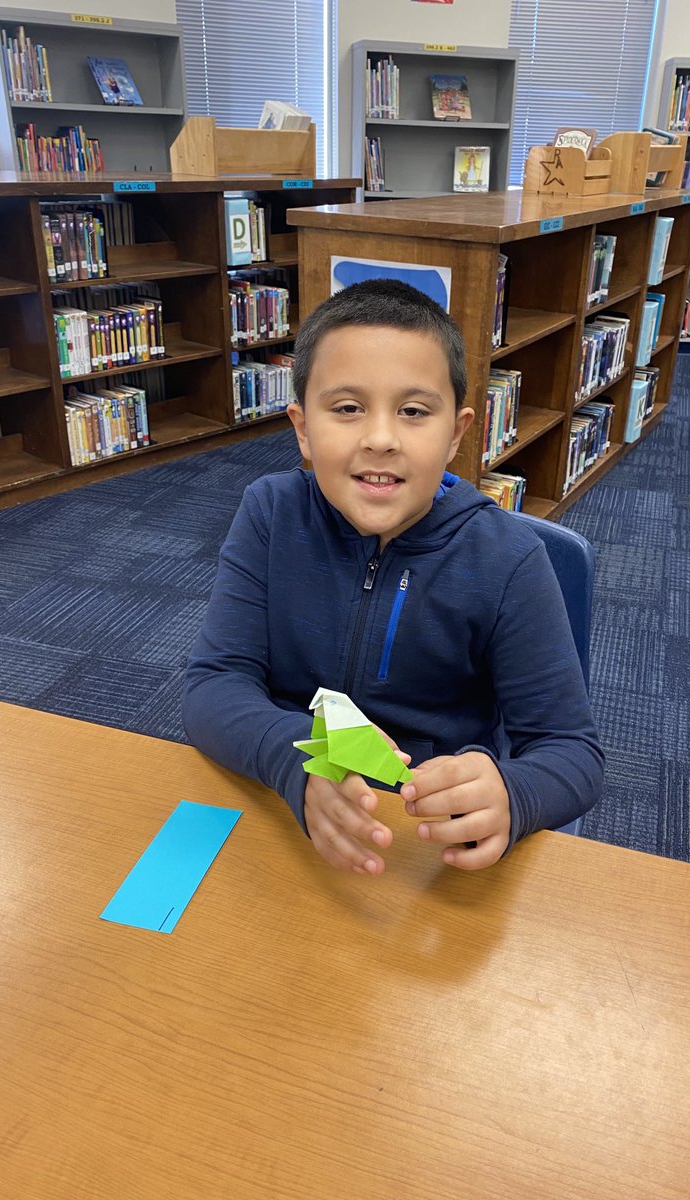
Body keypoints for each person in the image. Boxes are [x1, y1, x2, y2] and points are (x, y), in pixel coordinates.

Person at [182, 279, 603, 874]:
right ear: (302, 427)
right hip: (284, 805)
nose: (380, 439)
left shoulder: (508, 559)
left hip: (424, 841)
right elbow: (213, 687)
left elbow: (572, 754)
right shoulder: (271, 514)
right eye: (348, 408)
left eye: (413, 412)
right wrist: (294, 760)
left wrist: (513, 795)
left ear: (456, 435)